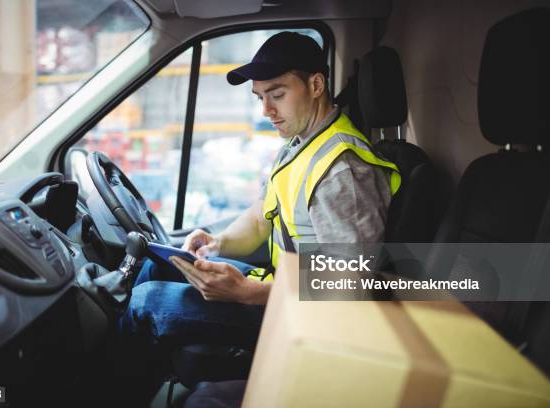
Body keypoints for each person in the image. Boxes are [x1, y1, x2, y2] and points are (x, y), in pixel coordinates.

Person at [119, 31, 400, 364]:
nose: (266, 110)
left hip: (310, 321)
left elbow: (351, 283)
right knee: (158, 269)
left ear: (315, 86)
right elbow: (260, 216)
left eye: (277, 95)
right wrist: (216, 243)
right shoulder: (301, 144)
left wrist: (248, 293)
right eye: (259, 97)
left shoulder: (342, 171)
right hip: (280, 289)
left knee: (146, 302)